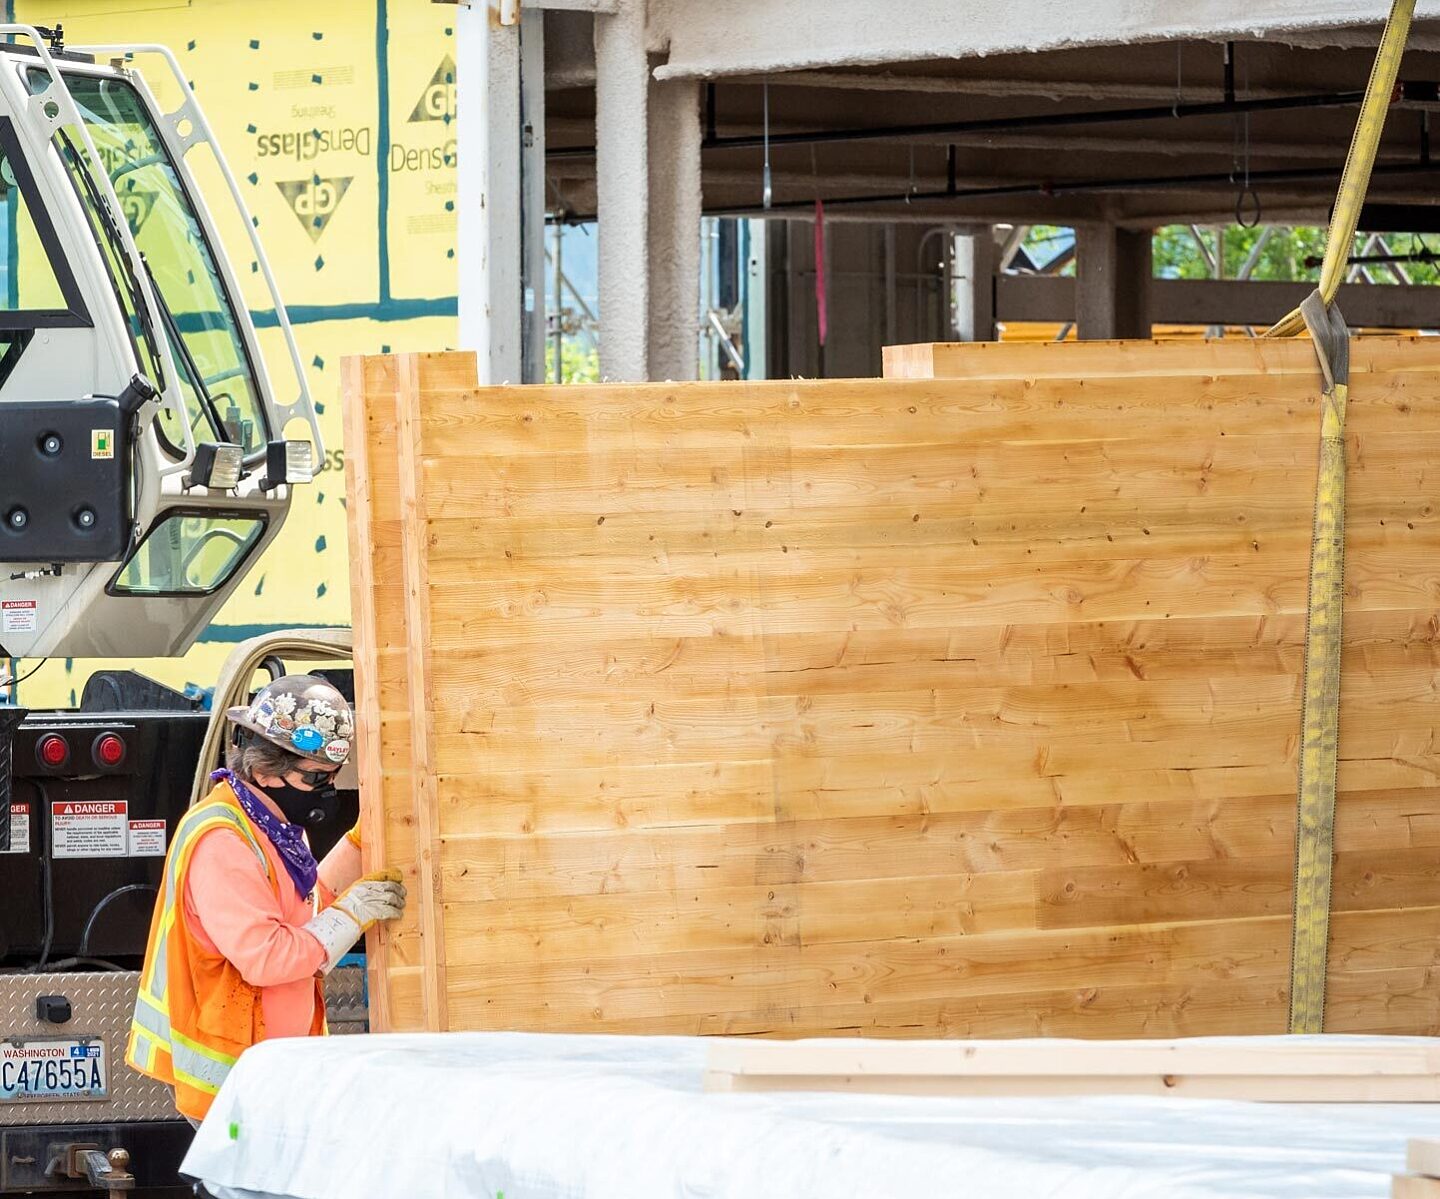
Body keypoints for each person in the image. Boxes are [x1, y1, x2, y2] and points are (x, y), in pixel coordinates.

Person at [126, 675, 406, 1123]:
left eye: (332, 776)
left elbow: (308, 909)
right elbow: (269, 957)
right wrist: (355, 914)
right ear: (263, 769)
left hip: (274, 1076)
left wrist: (362, 842)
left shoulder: (273, 828)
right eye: (314, 777)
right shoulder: (223, 841)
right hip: (235, 1087)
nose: (327, 790)